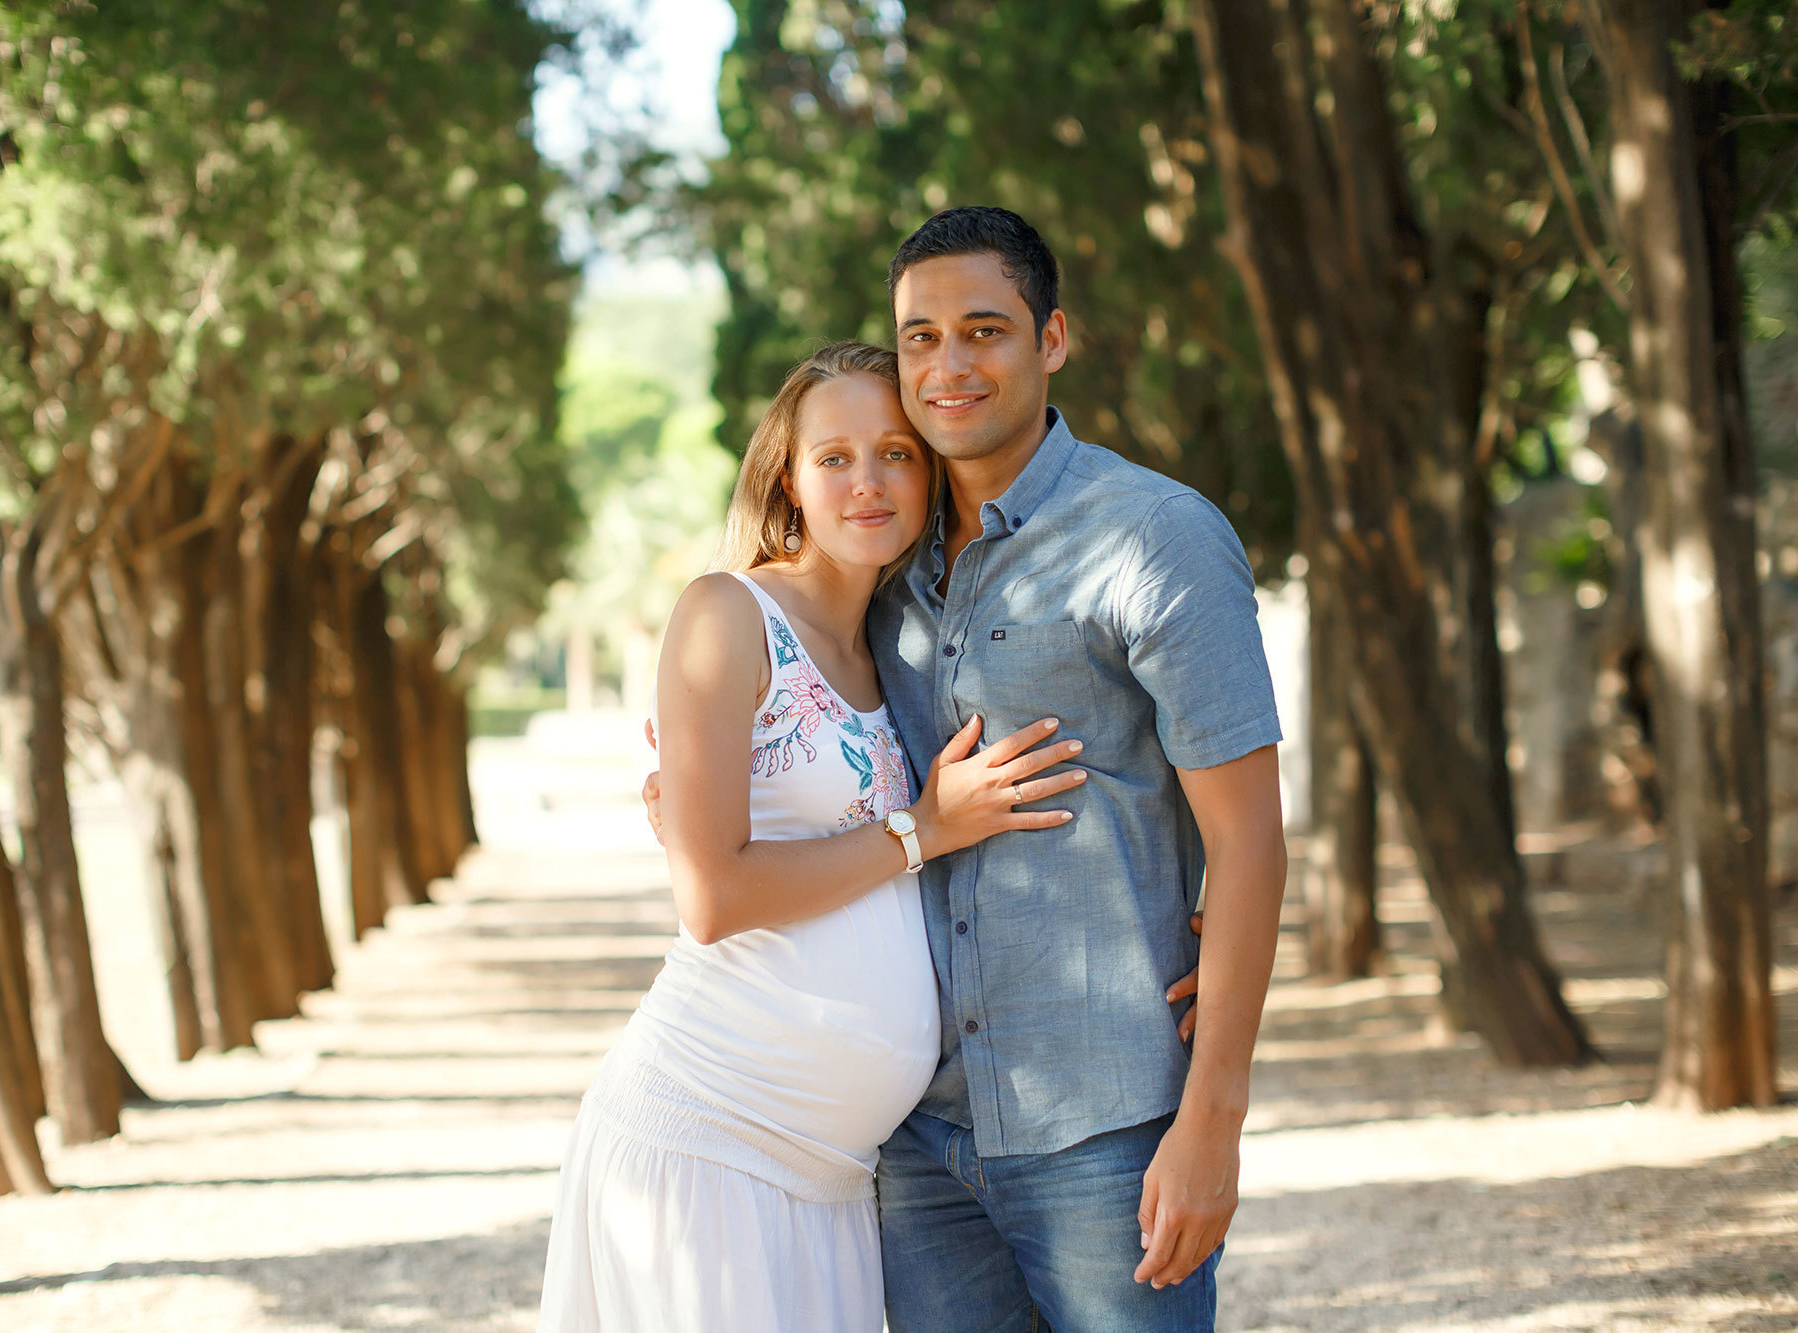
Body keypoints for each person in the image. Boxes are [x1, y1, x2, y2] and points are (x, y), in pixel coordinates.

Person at [646, 206, 1287, 1332]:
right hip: (914, 1144)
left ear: (1051, 339)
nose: (948, 366)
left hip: (1102, 1126)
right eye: (921, 338)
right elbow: (795, 723)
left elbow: (1249, 839)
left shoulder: (1156, 537)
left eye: (984, 330)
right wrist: (697, 786)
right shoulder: (885, 563)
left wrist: (1212, 1120)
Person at [536, 341, 1091, 1333]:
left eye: (895, 453)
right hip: (711, 1147)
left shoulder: (900, 644)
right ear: (787, 480)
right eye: (833, 457)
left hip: (834, 1187)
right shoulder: (728, 612)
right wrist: (921, 828)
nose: (866, 480)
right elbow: (711, 897)